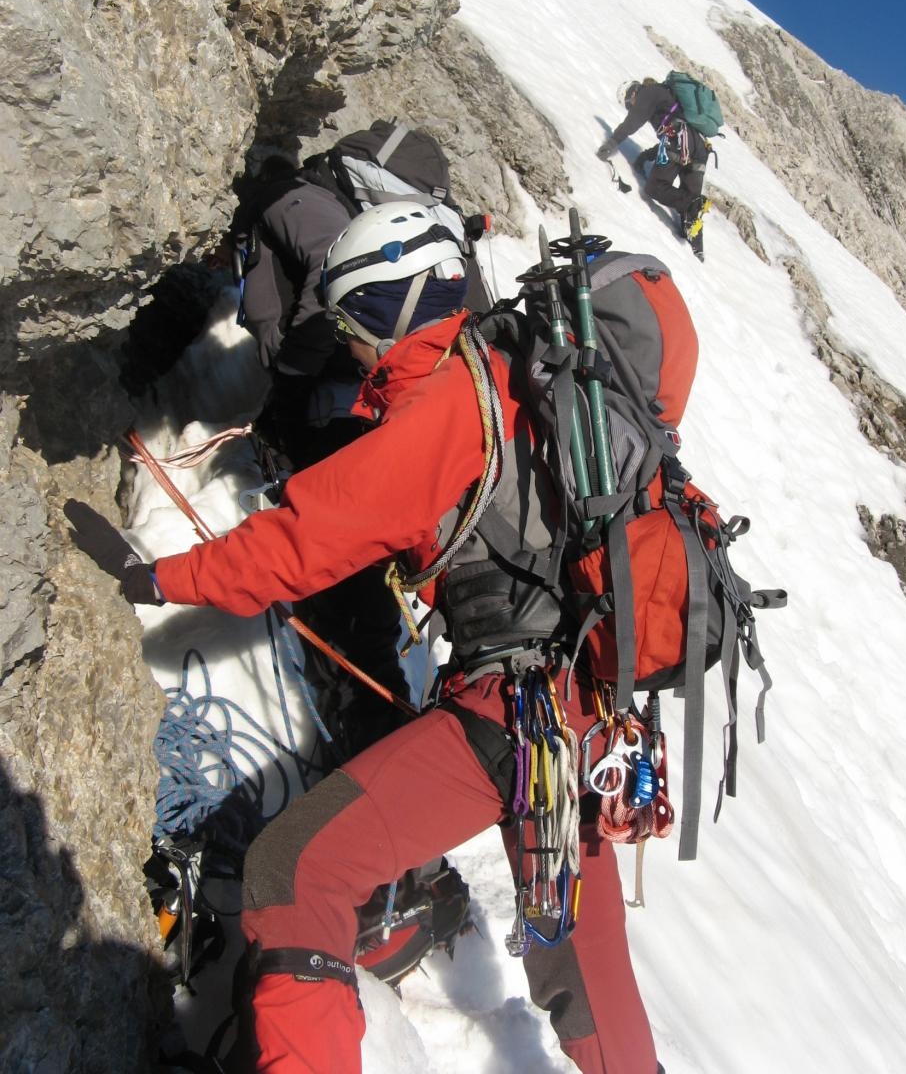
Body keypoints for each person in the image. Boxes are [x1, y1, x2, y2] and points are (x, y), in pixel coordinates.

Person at [65, 201, 661, 1074]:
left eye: (354, 319)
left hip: (512, 717)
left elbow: (306, 540)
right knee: (584, 963)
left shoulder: (454, 397)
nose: (348, 343)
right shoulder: (527, 377)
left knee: (293, 870)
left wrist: (157, 577)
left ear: (398, 302)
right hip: (589, 718)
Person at [229, 155, 409, 749]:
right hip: (341, 410)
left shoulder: (290, 201)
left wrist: (294, 367)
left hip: (329, 412)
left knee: (343, 577)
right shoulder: (300, 207)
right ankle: (370, 721)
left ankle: (367, 729)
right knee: (355, 578)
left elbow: (329, 273)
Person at [597, 79, 709, 261]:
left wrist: (611, 144)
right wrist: (646, 156)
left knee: (655, 187)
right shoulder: (665, 97)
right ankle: (697, 251)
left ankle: (693, 203)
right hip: (699, 147)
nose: (631, 108)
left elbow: (633, 122)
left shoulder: (647, 93)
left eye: (629, 105)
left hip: (679, 141)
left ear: (632, 94)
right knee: (688, 206)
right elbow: (672, 134)